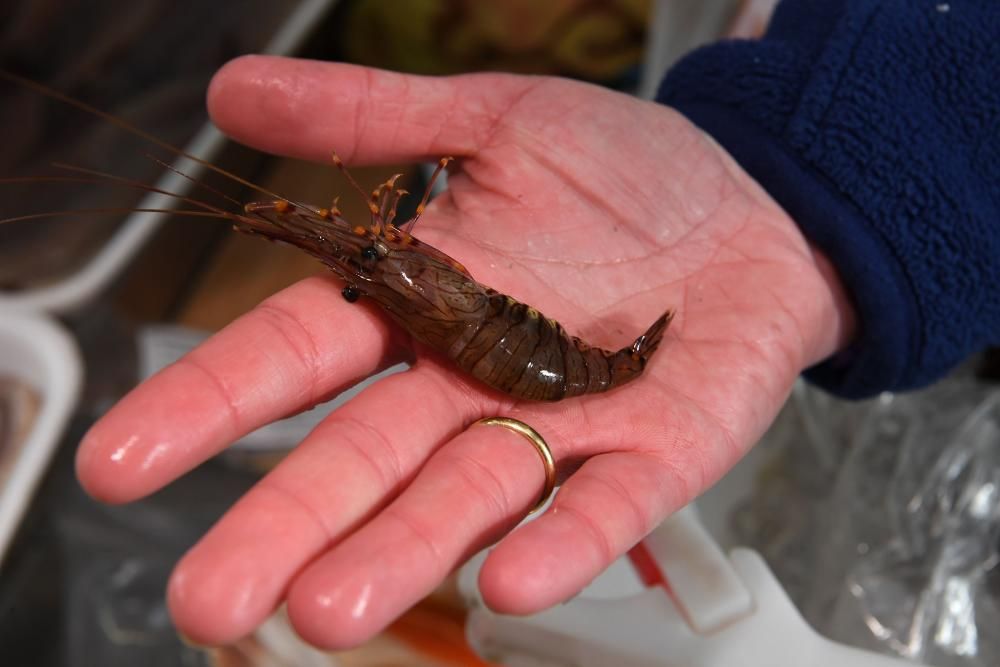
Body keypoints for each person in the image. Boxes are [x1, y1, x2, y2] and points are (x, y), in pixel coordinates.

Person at [75, 0, 998, 651]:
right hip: (530, 332)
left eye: (370, 256)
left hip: (555, 356)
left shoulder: (417, 284)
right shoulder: (406, 276)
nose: (366, 254)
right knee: (374, 260)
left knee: (380, 264)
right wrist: (820, 181)